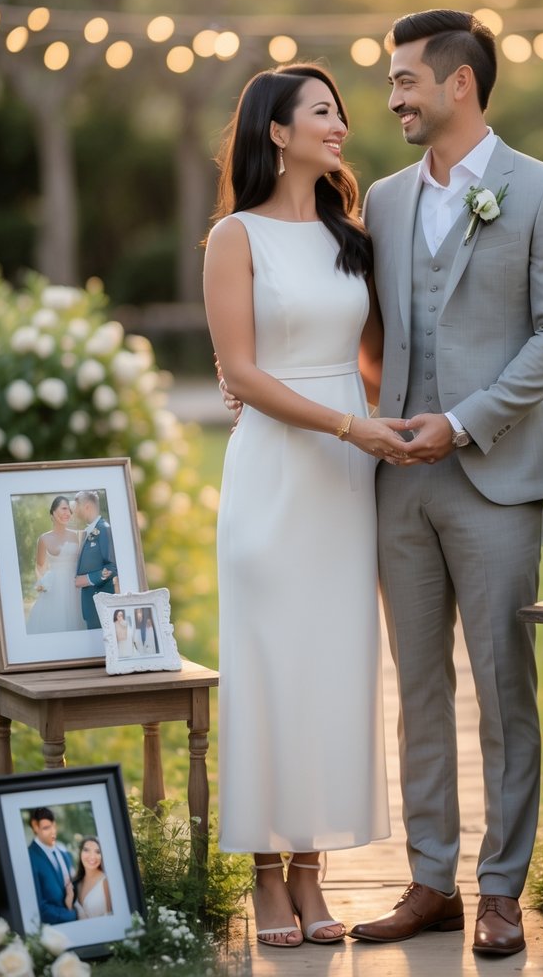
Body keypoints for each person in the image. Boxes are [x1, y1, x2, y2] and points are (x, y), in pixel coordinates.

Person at [349, 10, 543, 957]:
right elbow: (361, 327)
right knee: (416, 690)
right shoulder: (383, 198)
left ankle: (498, 889)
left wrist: (464, 419)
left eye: (405, 80)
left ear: (459, 83)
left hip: (495, 477)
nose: (392, 99)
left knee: (501, 689)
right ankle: (428, 880)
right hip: (398, 483)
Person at [203, 64, 411, 949]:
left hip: (344, 485)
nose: (341, 125)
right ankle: (263, 874)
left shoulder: (350, 236)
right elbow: (243, 372)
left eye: (340, 112)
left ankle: (310, 872)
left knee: (332, 668)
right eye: (322, 112)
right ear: (277, 132)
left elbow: (373, 362)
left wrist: (389, 423)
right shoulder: (234, 237)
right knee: (268, 668)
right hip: (275, 475)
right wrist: (345, 425)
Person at [26, 496, 84, 634]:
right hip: (55, 589)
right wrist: (42, 582)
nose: (67, 513)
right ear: (53, 512)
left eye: (69, 510)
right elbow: (39, 567)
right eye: (64, 509)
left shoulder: (77, 536)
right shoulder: (44, 539)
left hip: (76, 587)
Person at [74, 490, 117, 628]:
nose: (75, 510)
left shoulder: (104, 529)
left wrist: (88, 579)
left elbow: (112, 567)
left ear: (87, 506)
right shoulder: (89, 531)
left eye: (77, 506)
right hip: (91, 605)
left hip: (101, 603)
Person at [27, 807, 77, 925]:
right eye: (46, 828)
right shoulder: (29, 857)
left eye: (54, 826)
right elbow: (38, 907)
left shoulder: (65, 854)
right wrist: (72, 914)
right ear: (35, 826)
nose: (53, 832)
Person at [74, 836, 113, 919]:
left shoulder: (106, 881)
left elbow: (112, 916)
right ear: (80, 853)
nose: (92, 856)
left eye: (98, 852)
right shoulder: (76, 883)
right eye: (86, 850)